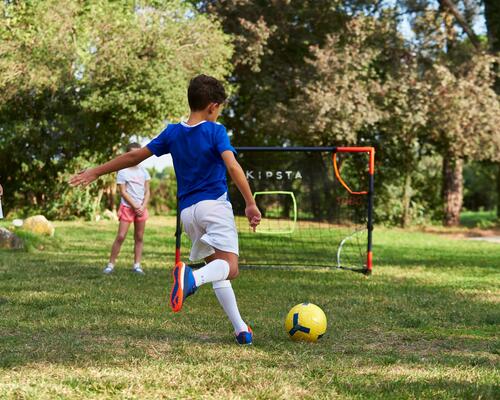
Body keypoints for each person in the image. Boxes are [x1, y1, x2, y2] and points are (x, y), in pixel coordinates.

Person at [70, 74, 261, 345]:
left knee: (216, 266)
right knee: (229, 268)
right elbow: (232, 166)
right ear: (212, 107)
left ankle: (240, 328)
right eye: (219, 109)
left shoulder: (173, 132)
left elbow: (134, 156)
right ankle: (191, 278)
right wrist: (250, 203)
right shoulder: (215, 131)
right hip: (214, 206)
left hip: (188, 214)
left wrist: (96, 171)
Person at [103, 142, 150, 275]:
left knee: (139, 237)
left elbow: (147, 191)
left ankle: (137, 265)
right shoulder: (123, 171)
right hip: (128, 208)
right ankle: (110, 264)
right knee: (121, 236)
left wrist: (142, 206)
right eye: (133, 153)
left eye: (138, 153)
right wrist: (135, 206)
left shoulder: (144, 171)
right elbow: (123, 192)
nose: (136, 156)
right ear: (127, 154)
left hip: (141, 209)